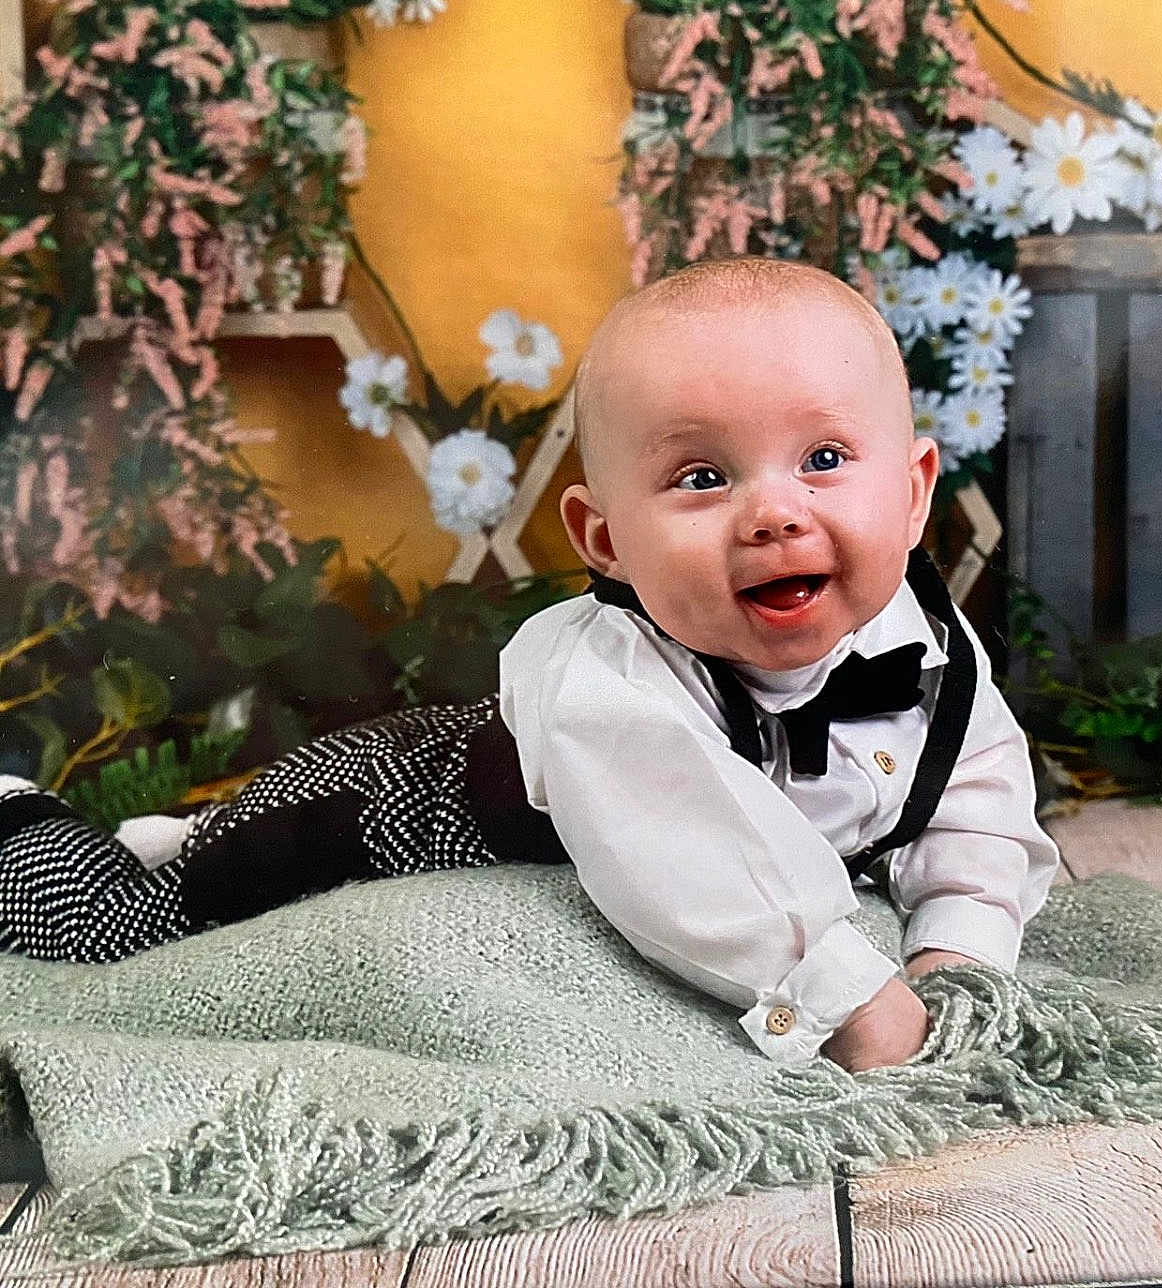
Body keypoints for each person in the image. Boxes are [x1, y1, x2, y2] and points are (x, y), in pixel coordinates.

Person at [0, 258, 1058, 1072]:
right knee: (132, 927)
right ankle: (30, 826)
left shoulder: (929, 652)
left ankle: (172, 840)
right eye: (702, 476)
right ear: (604, 543)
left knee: (184, 865)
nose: (776, 513)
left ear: (915, 494)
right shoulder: (614, 681)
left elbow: (976, 804)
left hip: (457, 768)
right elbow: (693, 852)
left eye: (824, 460)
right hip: (399, 810)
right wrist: (853, 1002)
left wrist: (956, 951)